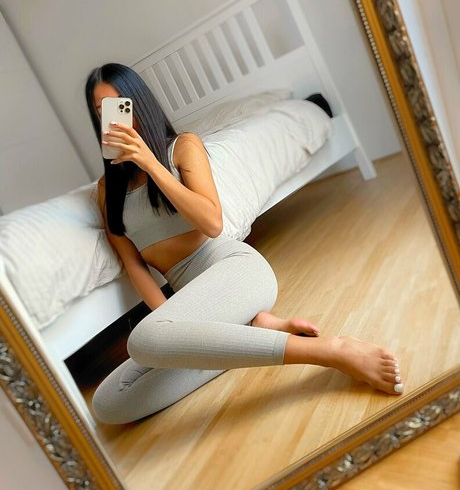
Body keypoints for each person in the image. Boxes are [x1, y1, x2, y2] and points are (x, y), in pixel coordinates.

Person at [85, 62, 404, 425]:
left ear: (137, 103)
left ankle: (330, 351)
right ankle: (249, 331)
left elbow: (212, 222)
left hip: (236, 272)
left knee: (142, 340)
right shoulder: (106, 190)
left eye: (118, 105)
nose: (112, 119)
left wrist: (151, 164)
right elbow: (134, 265)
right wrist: (170, 330)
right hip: (196, 308)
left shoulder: (182, 148)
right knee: (108, 403)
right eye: (100, 111)